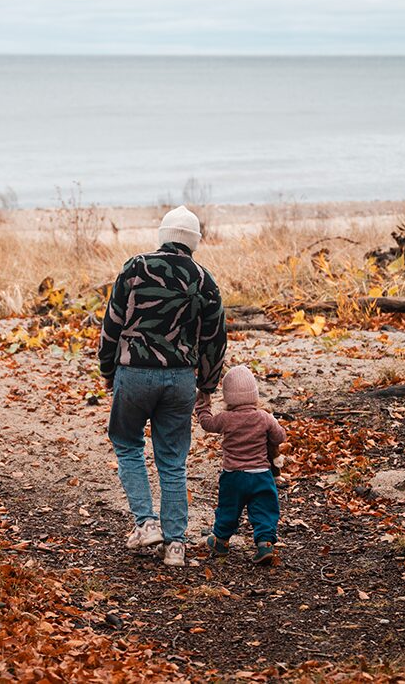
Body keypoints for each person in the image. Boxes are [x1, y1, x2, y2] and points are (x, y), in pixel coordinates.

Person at [98, 206, 227, 567]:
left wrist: (108, 369)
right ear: (194, 242)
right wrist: (207, 384)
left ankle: (146, 522)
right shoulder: (204, 280)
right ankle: (175, 546)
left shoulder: (134, 267)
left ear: (163, 235)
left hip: (134, 372)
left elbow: (113, 322)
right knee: (172, 461)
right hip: (180, 378)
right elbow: (215, 339)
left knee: (127, 443)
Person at [194, 364, 286, 565]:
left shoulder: (226, 418)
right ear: (254, 394)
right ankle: (264, 544)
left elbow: (207, 424)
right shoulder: (264, 417)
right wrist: (272, 429)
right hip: (261, 474)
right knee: (264, 508)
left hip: (233, 476)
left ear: (227, 397)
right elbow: (279, 437)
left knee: (228, 508)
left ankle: (220, 541)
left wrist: (202, 406)